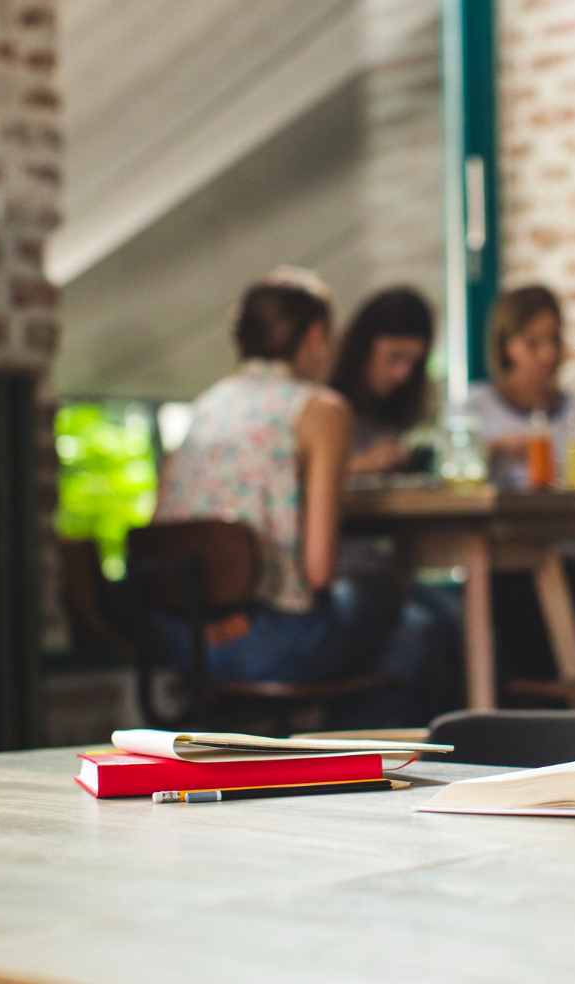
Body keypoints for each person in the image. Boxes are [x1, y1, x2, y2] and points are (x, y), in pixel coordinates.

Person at [153, 268, 452, 723]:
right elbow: (318, 570)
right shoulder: (320, 408)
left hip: (185, 643)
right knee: (391, 593)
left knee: (411, 635)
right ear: (315, 334)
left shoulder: (205, 407)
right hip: (270, 644)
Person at [468, 286, 575, 488]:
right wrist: (495, 449)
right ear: (505, 347)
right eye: (532, 343)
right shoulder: (475, 409)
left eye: (554, 339)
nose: (549, 354)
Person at [329, 287, 434, 474]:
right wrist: (362, 464)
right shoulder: (324, 399)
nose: (403, 374)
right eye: (395, 357)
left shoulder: (407, 410)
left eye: (414, 363)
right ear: (362, 347)